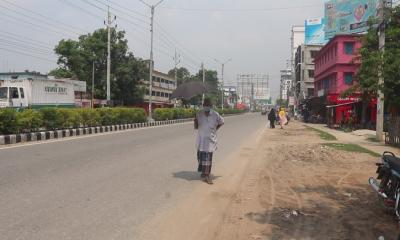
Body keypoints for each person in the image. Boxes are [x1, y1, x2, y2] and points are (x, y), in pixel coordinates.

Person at [194, 98, 224, 184]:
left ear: (211, 106)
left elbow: (222, 122)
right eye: (205, 105)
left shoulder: (215, 114)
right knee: (200, 157)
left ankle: (207, 175)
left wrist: (215, 129)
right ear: (203, 106)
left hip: (210, 140)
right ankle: (203, 172)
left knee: (207, 158)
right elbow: (196, 127)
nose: (206, 106)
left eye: (208, 105)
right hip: (201, 139)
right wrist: (195, 120)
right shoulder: (199, 114)